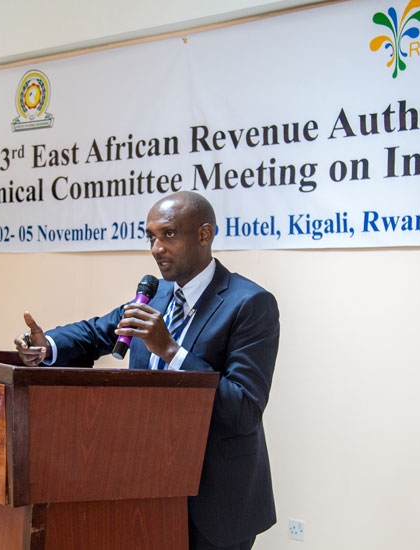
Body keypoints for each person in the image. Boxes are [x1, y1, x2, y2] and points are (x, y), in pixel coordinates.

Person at [14, 191, 279, 550]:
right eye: (150, 237)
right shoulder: (155, 296)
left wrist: (171, 350)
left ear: (204, 235)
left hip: (215, 499)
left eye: (168, 234)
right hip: (145, 486)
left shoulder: (249, 304)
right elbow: (96, 333)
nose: (156, 248)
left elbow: (244, 409)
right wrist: (48, 347)